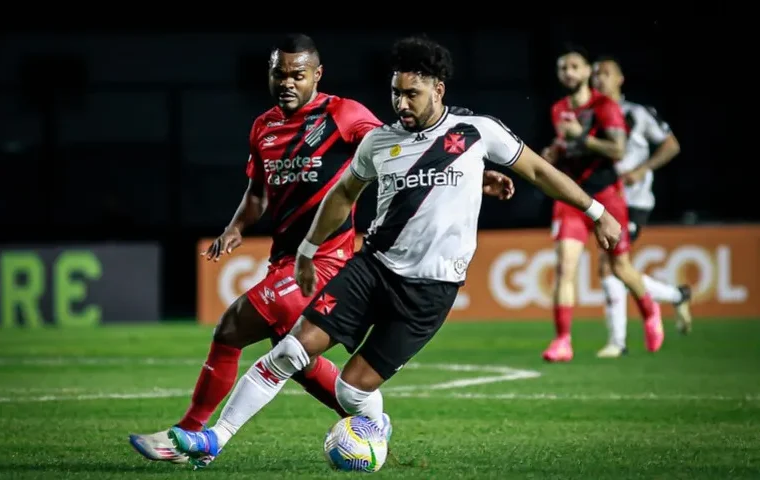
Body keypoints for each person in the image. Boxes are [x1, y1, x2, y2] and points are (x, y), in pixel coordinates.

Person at [165, 35, 623, 467]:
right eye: (395, 93)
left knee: (350, 390)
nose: (401, 104)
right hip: (373, 269)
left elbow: (540, 173)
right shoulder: (379, 142)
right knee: (290, 350)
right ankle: (215, 437)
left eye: (412, 94)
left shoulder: (476, 132)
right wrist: (306, 250)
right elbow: (341, 196)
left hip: (430, 291)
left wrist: (596, 210)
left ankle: (373, 426)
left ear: (437, 89)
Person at [540, 46, 663, 362]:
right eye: (563, 67)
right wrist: (554, 153)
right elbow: (567, 146)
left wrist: (581, 137)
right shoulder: (557, 109)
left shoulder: (605, 105)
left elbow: (617, 151)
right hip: (571, 198)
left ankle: (649, 308)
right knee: (564, 267)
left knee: (619, 267)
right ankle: (563, 341)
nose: (568, 72)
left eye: (574, 66)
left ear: (586, 72)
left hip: (607, 197)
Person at [591, 56, 691, 358]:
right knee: (616, 267)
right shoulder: (589, 115)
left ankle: (617, 342)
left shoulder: (637, 113)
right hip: (605, 198)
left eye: (606, 73)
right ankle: (676, 295)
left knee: (609, 265)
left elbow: (671, 144)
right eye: (596, 74)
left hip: (633, 201)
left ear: (620, 78)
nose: (599, 79)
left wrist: (644, 169)